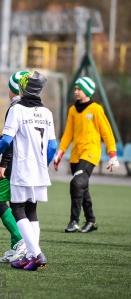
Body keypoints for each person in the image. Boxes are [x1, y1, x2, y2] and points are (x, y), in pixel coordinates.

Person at [0, 70, 56, 271]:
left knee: (17, 209)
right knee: (31, 210)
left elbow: (8, 140)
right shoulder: (47, 112)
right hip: (40, 170)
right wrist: (45, 163)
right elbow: (52, 146)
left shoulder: (17, 110)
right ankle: (30, 255)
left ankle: (36, 254)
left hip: (22, 169)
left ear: (22, 89)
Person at [53, 76, 119, 233]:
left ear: (87, 91)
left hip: (90, 153)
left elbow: (107, 132)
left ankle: (73, 221)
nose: (76, 92)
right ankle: (91, 221)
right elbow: (68, 133)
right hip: (75, 155)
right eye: (75, 89)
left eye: (79, 89)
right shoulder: (72, 110)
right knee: (82, 188)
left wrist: (113, 154)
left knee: (76, 183)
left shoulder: (96, 109)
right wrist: (60, 152)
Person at [0, 70, 28, 263]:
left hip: (13, 164)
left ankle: (20, 241)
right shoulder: (32, 106)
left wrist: (3, 163)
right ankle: (16, 248)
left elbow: (12, 142)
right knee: (16, 205)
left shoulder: (15, 107)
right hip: (25, 164)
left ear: (13, 89)